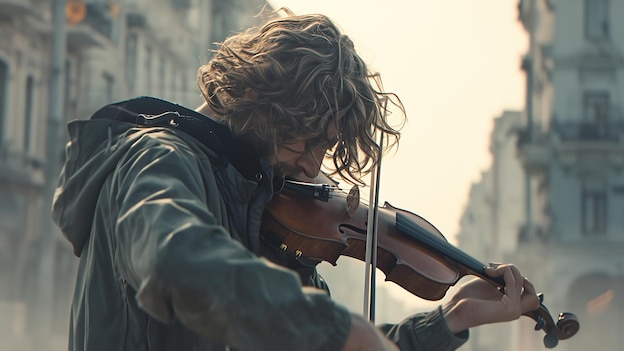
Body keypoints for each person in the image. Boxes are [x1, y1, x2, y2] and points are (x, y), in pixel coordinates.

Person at [52, 8, 540, 351]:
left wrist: (450, 320)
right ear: (253, 95)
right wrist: (332, 327)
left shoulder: (250, 198)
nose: (312, 168)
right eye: (307, 142)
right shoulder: (158, 159)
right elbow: (173, 259)